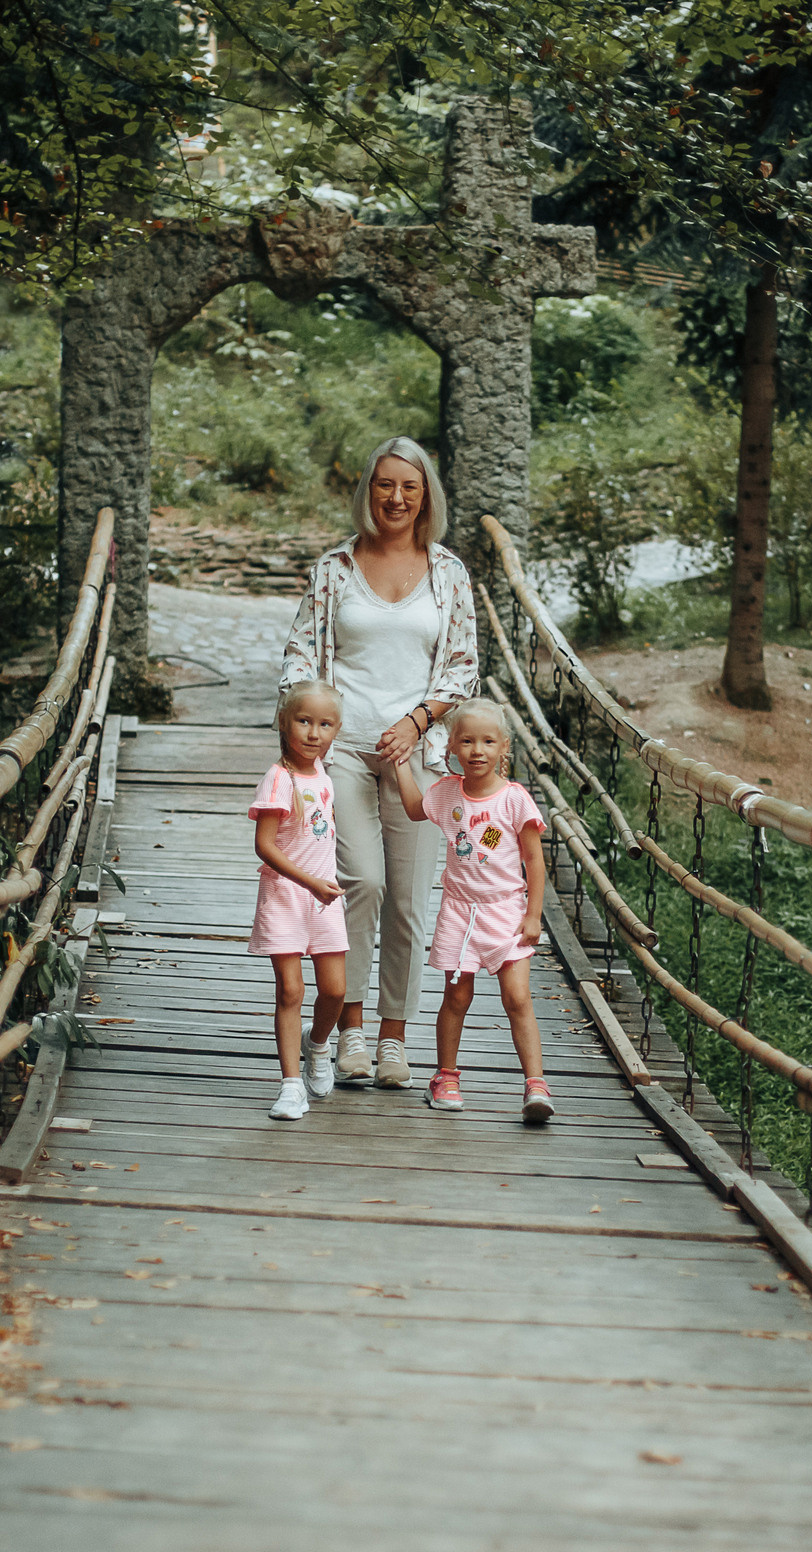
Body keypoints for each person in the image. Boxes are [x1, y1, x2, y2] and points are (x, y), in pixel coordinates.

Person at [278, 436, 479, 1090]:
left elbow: (463, 668)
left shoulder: (448, 572)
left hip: (419, 759)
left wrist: (418, 721)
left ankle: (395, 1035)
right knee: (360, 882)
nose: (395, 497)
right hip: (342, 753)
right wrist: (314, 732)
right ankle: (353, 1029)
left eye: (409, 487)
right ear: (369, 489)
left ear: (427, 497)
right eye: (384, 484)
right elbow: (300, 658)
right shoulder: (335, 567)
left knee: (410, 901)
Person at [392, 699, 553, 1125]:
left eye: (487, 741)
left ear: (504, 748)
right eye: (466, 741)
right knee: (457, 996)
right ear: (452, 748)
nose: (477, 750)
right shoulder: (447, 793)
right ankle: (445, 1077)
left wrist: (533, 915)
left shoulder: (515, 800)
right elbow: (413, 809)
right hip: (459, 913)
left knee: (517, 997)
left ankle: (535, 1084)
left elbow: (535, 861)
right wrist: (400, 766)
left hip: (505, 911)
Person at [248, 682, 349, 1120]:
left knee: (336, 991)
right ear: (283, 723)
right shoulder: (279, 778)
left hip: (322, 897)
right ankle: (291, 1085)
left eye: (325, 724)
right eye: (303, 721)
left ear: (336, 731)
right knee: (291, 990)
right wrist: (309, 881)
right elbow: (265, 846)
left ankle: (318, 1043)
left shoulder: (322, 772)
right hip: (287, 895)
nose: (313, 733)